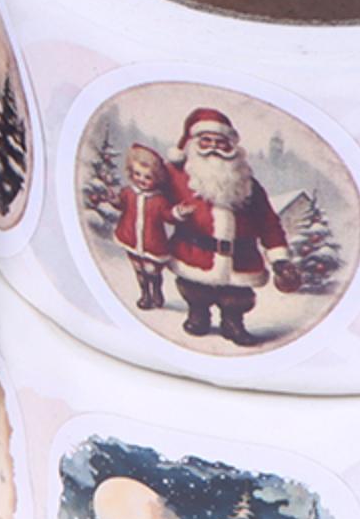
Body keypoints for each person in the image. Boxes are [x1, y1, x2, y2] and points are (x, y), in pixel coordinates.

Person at [166, 108, 299, 343]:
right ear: (193, 144)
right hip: (195, 252)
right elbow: (157, 202)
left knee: (236, 297)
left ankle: (233, 323)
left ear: (233, 146)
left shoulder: (247, 184)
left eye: (221, 142)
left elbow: (268, 222)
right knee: (195, 289)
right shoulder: (178, 177)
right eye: (206, 141)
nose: (214, 147)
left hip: (241, 257)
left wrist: (279, 259)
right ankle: (198, 315)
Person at [113, 144, 171, 308]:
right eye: (137, 174)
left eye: (148, 177)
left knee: (152, 269)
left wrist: (177, 213)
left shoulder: (159, 199)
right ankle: (145, 294)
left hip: (152, 243)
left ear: (157, 178)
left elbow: (168, 216)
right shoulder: (128, 192)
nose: (141, 180)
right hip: (130, 238)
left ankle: (156, 290)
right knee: (138, 269)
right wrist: (114, 200)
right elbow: (121, 205)